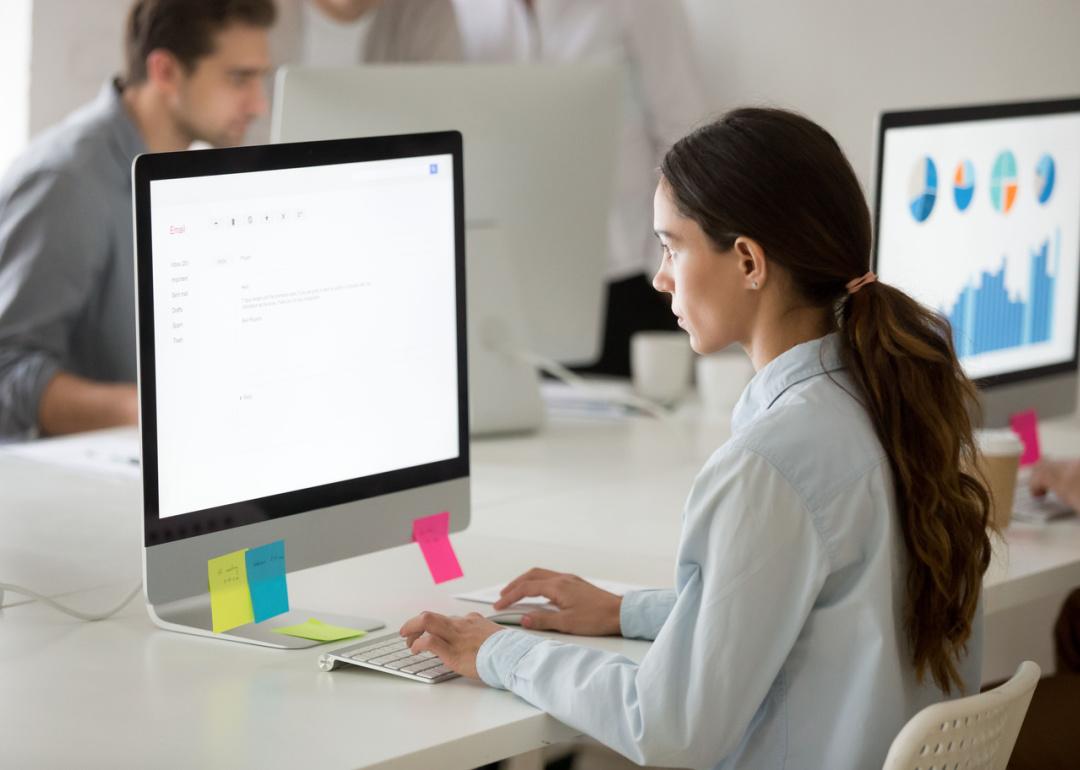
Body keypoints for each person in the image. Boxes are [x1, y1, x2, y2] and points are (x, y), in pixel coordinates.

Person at [396, 108, 994, 769]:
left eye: (672, 246)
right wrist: (629, 612)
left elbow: (668, 729)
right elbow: (797, 614)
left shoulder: (772, 461)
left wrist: (497, 650)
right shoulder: (888, 400)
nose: (660, 277)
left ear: (747, 261)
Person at [310, 0, 707, 375]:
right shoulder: (456, 12)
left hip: (622, 276)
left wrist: (670, 257)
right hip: (500, 281)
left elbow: (684, 133)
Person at [0, 0, 276, 439]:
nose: (260, 104)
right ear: (165, 72)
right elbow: (7, 373)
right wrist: (148, 408)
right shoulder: (67, 181)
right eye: (238, 78)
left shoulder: (189, 174)